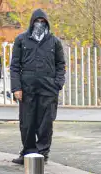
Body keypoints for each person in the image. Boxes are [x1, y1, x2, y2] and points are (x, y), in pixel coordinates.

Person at [8, 9, 64, 165]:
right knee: (27, 123)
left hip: (48, 89)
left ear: (47, 23)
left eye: (43, 21)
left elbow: (60, 64)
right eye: (37, 21)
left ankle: (42, 154)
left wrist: (57, 84)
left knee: (45, 123)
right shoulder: (21, 40)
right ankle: (28, 152)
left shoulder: (54, 42)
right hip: (27, 89)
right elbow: (14, 66)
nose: (40, 24)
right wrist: (16, 88)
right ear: (32, 22)